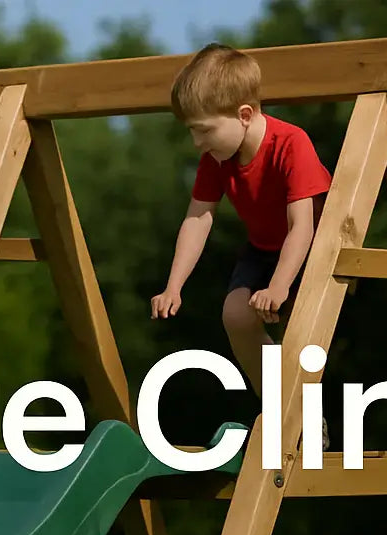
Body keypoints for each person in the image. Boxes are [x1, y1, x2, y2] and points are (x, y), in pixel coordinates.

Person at [150, 42, 333, 449]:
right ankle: (280, 404)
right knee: (235, 315)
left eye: (204, 130)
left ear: (244, 115)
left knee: (301, 327)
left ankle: (307, 416)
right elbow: (198, 218)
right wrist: (174, 285)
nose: (198, 142)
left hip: (313, 248)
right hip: (264, 247)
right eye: (192, 132)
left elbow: (302, 225)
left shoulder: (291, 144)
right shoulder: (218, 158)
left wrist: (281, 285)